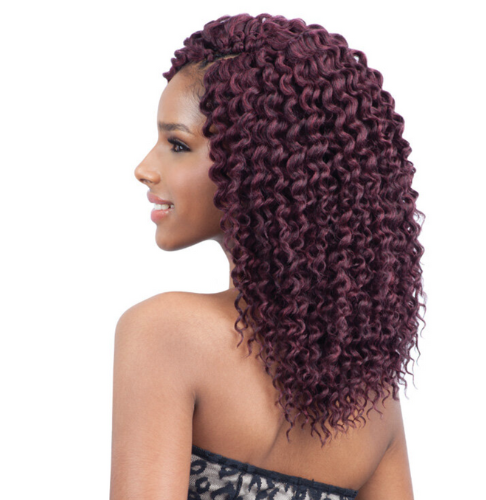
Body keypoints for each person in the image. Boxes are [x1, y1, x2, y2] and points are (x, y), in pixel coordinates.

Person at [110, 13, 426, 500]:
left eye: (177, 144)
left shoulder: (164, 333)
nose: (144, 169)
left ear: (257, 163)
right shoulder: (373, 400)